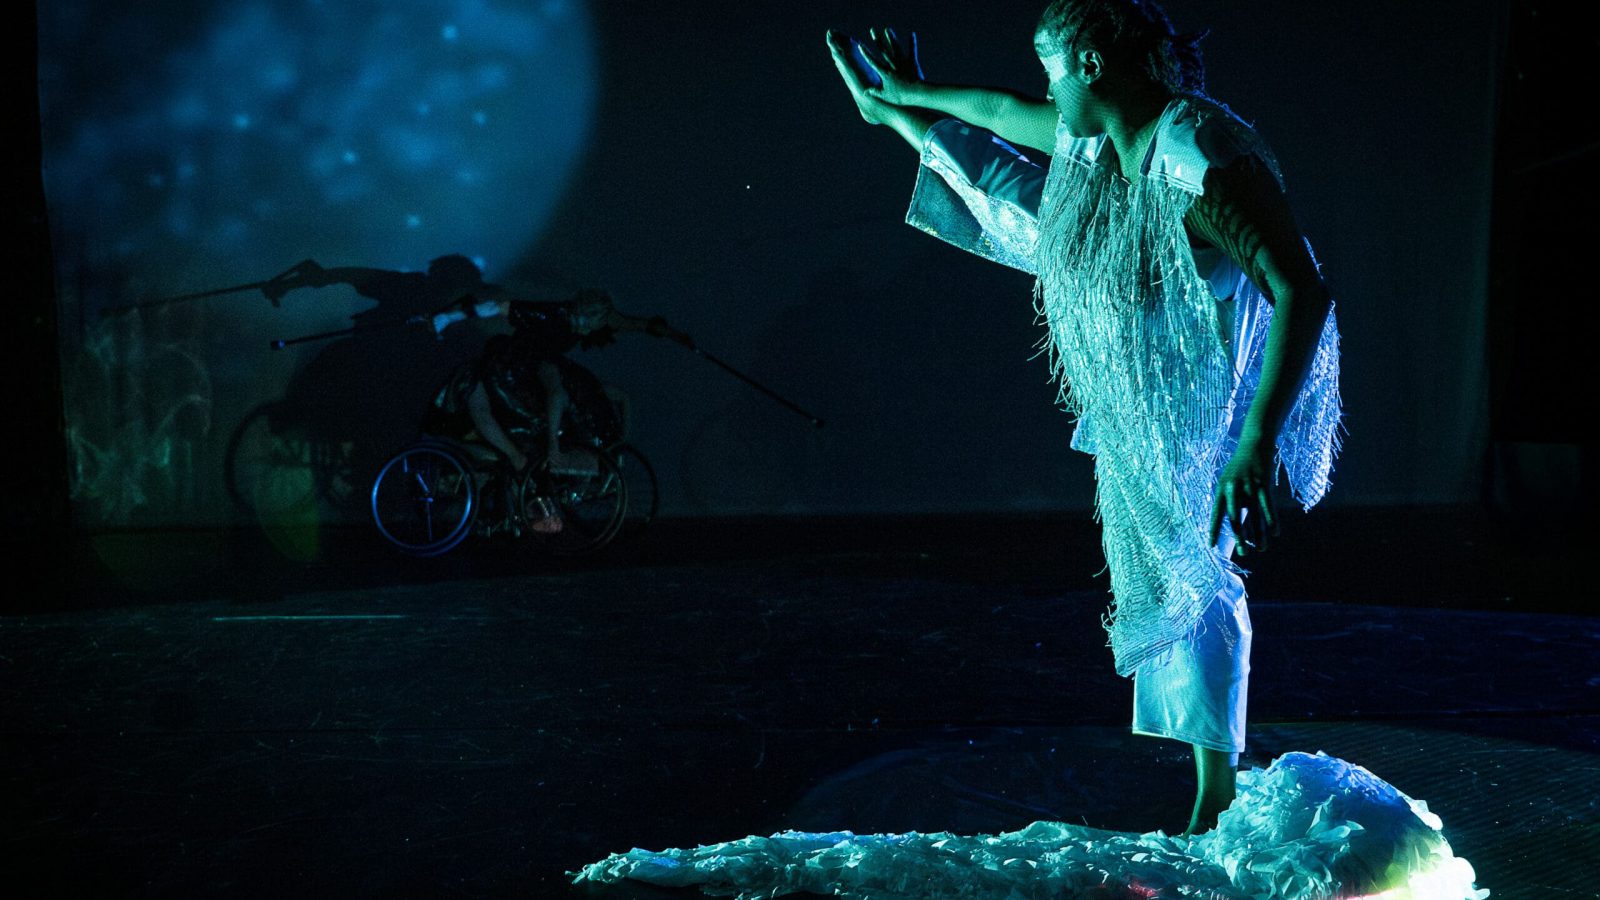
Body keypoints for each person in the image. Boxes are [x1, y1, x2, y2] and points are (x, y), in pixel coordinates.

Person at [824, 3, 1343, 839]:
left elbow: (1300, 289)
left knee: (1200, 574)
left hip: (1200, 383)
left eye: (1052, 66)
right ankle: (892, 119)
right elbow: (999, 115)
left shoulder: (1196, 154)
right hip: (1127, 291)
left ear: (1093, 64)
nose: (1047, 87)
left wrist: (1256, 443)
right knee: (1009, 189)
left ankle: (1219, 783)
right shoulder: (1102, 134)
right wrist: (909, 97)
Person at [426, 288, 692, 531]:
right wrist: (447, 318)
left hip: (533, 369)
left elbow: (629, 323)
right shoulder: (553, 319)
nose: (589, 331)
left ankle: (551, 478)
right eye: (589, 324)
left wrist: (670, 333)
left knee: (586, 397)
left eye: (596, 324)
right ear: (580, 315)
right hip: (514, 368)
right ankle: (528, 484)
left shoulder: (593, 322)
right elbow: (499, 306)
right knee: (553, 401)